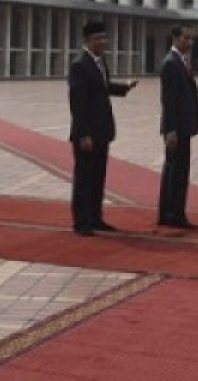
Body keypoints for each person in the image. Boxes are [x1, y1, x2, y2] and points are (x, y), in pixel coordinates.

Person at [68, 20, 138, 236]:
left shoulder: (99, 61)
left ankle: (96, 218)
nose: (103, 42)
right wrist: (83, 134)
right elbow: (77, 103)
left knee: (98, 177)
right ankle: (81, 222)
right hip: (87, 133)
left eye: (104, 38)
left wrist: (124, 87)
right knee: (84, 178)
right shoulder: (79, 64)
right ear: (88, 41)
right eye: (99, 38)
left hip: (102, 129)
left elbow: (103, 87)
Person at [158, 25, 198, 228]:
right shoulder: (171, 63)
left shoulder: (181, 61)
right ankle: (173, 215)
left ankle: (170, 213)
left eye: (192, 38)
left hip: (182, 127)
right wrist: (171, 130)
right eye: (186, 38)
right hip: (176, 129)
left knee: (176, 171)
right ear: (175, 38)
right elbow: (169, 101)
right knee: (176, 172)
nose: (190, 42)